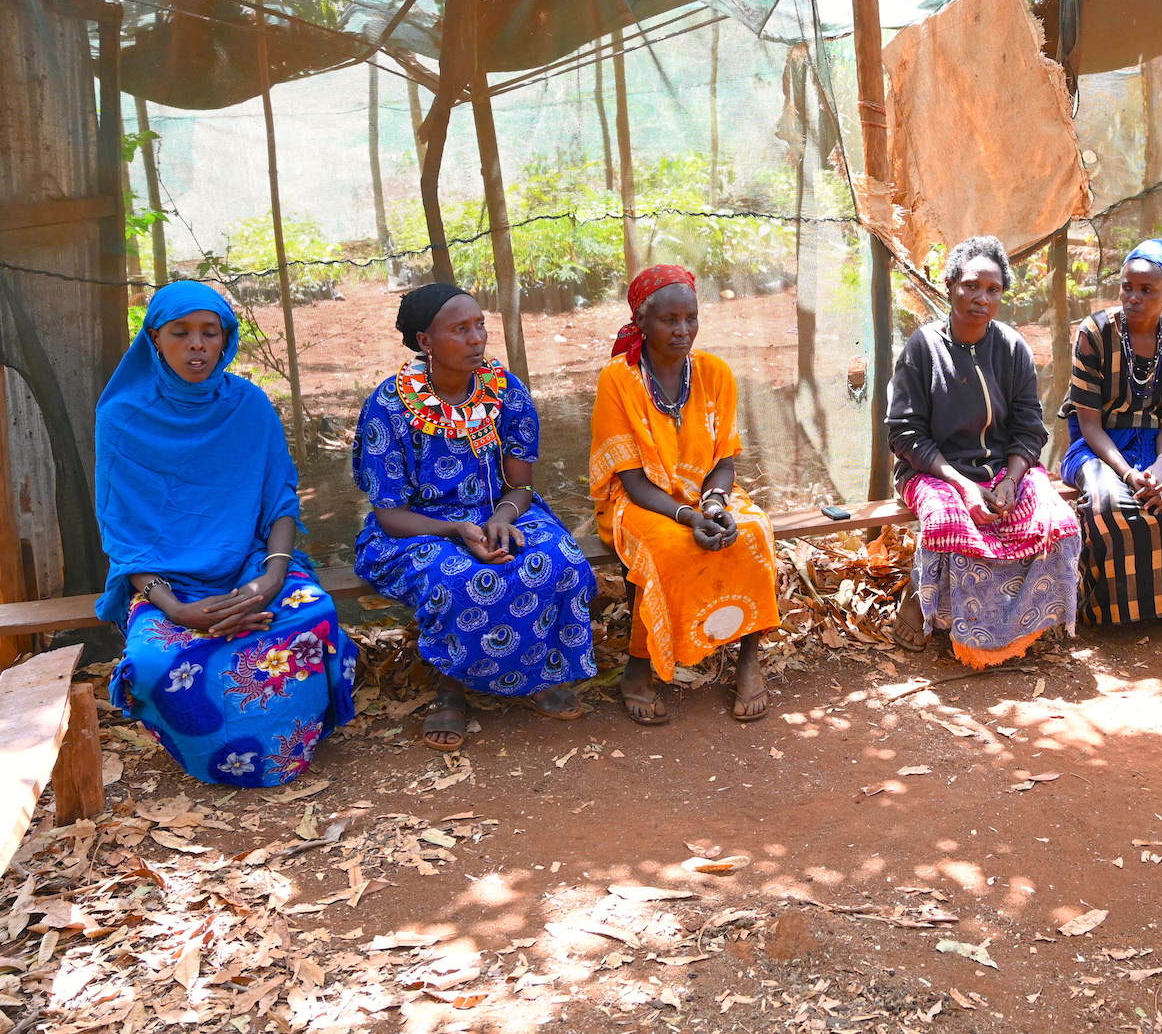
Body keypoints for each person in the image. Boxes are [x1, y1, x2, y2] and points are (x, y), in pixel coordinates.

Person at [94, 280, 358, 787]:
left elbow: (280, 503)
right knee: (154, 662)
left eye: (209, 333)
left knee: (316, 618)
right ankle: (217, 753)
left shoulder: (249, 406)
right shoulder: (121, 417)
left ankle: (283, 746)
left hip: (250, 569)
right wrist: (175, 610)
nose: (196, 344)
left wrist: (272, 577)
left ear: (225, 340)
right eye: (180, 332)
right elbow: (123, 533)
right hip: (165, 584)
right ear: (154, 339)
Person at [353, 284, 596, 750]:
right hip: (417, 529)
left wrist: (503, 515)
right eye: (460, 330)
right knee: (460, 581)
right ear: (425, 341)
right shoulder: (389, 406)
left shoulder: (505, 391)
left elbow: (521, 485)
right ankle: (452, 689)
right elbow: (390, 515)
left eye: (480, 326)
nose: (476, 339)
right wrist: (457, 530)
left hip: (502, 513)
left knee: (560, 562)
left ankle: (538, 674)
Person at [589, 264, 780, 724]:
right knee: (666, 550)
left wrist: (713, 505)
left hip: (702, 495)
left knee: (752, 533)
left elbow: (724, 462)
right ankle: (639, 669)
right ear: (641, 322)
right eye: (668, 320)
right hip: (639, 502)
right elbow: (633, 483)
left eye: (690, 318)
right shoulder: (619, 379)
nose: (682, 330)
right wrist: (689, 516)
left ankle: (748, 659)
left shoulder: (714, 373)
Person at [887, 235, 1082, 667]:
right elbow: (904, 433)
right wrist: (961, 486)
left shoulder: (1011, 348)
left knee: (1059, 522)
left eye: (992, 290)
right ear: (950, 284)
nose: (981, 298)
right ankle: (925, 602)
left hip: (1003, 469)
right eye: (972, 285)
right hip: (934, 471)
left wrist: (1011, 480)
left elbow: (1030, 429)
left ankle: (1018, 622)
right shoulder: (923, 348)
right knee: (947, 523)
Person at [1060, 239, 1162, 628]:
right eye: (1126, 287)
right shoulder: (1095, 333)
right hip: (1098, 445)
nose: (1132, 297)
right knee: (1110, 505)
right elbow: (1089, 424)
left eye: (1146, 290)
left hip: (1155, 442)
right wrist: (1132, 475)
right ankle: (1107, 610)